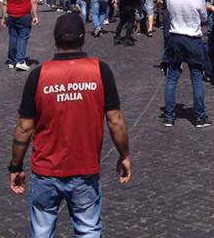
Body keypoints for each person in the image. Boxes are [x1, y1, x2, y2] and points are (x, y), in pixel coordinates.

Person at [9, 13, 132, 238]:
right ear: (83, 38)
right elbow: (115, 120)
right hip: (85, 169)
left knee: (42, 232)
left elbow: (24, 127)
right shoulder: (100, 71)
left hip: (46, 169)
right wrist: (124, 154)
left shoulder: (39, 75)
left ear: (55, 40)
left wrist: (15, 166)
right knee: (88, 230)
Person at [161, 0, 210, 128]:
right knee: (196, 77)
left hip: (175, 36)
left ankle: (169, 116)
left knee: (172, 77)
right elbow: (203, 17)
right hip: (192, 37)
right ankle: (200, 116)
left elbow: (169, 10)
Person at [1, 0, 39, 71]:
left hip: (12, 15)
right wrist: (35, 16)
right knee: (23, 38)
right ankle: (20, 61)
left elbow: (4, 3)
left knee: (13, 37)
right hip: (24, 15)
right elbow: (33, 1)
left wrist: (4, 17)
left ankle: (11, 60)